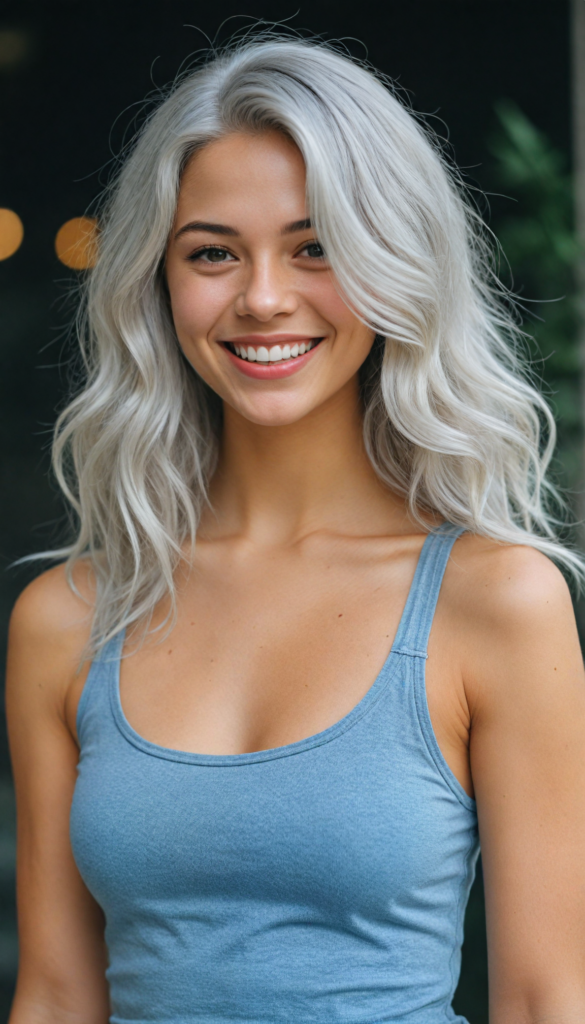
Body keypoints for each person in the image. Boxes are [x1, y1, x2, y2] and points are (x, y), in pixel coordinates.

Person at [6, 35, 585, 1024]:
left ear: (392, 266)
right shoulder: (67, 616)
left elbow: (541, 999)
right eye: (213, 252)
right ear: (159, 279)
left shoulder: (498, 600)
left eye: (316, 247)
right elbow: (57, 993)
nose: (263, 295)